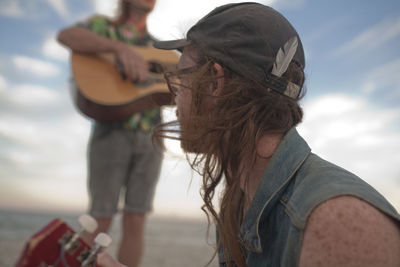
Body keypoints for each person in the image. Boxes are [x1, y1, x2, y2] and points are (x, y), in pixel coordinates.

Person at [96, 2, 400, 267]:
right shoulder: (242, 198)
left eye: (180, 77)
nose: (174, 96)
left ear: (215, 81)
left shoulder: (336, 226)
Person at [57, 1, 166, 266]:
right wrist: (119, 49)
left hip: (152, 134)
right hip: (111, 131)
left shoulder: (158, 47)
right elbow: (66, 36)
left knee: (136, 218)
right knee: (100, 216)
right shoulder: (101, 26)